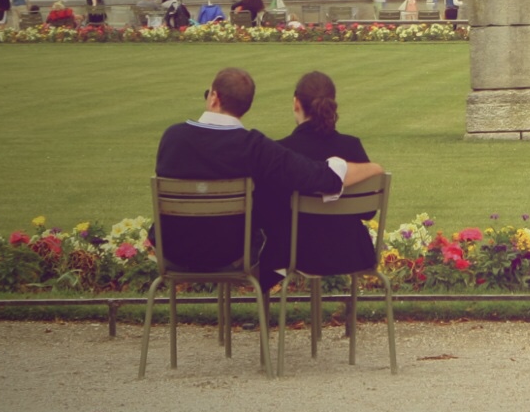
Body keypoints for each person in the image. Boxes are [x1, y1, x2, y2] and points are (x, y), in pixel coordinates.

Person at [156, 67, 381, 277]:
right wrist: (372, 168)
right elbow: (318, 176)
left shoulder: (172, 137)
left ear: (214, 97)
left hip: (172, 252)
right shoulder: (255, 146)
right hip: (230, 256)